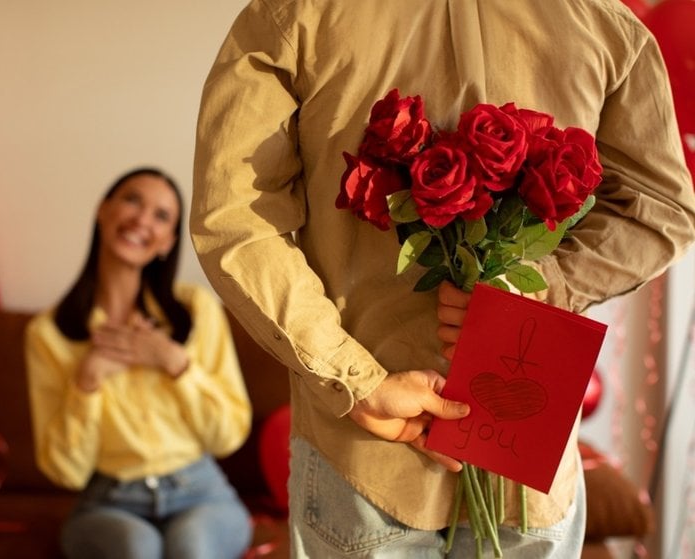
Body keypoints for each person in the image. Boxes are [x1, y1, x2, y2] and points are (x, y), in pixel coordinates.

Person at [190, 1, 695, 558]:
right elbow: (661, 206)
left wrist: (355, 379)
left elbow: (235, 218)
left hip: (368, 458)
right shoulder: (600, 22)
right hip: (521, 459)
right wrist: (544, 283)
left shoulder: (299, 15)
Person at [25, 167, 253, 559]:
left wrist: (175, 363)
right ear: (103, 210)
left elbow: (228, 435)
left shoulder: (197, 312)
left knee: (191, 548)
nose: (141, 220)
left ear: (167, 242)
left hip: (201, 492)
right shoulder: (48, 334)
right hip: (109, 501)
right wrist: (88, 380)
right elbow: (67, 472)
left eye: (161, 216)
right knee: (137, 549)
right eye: (132, 200)